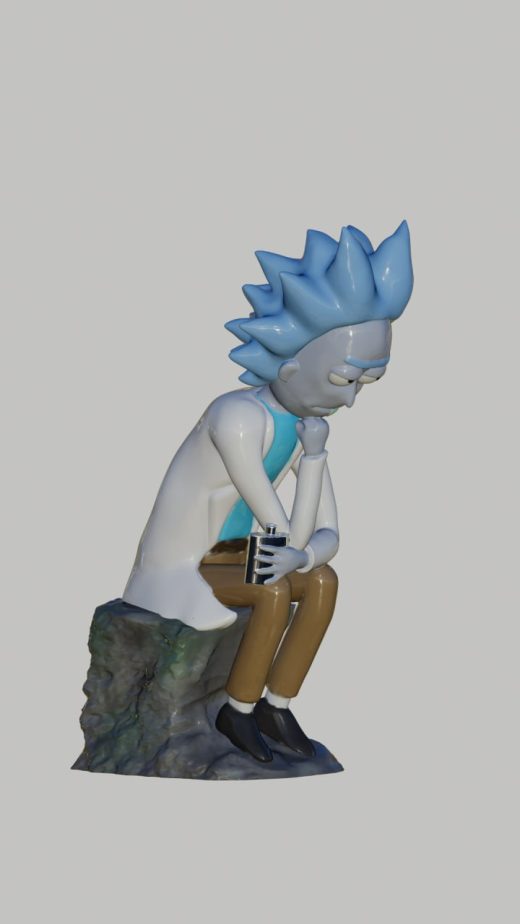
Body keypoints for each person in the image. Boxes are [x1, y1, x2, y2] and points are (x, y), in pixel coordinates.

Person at [123, 221, 413, 761]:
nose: (350, 400)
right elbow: (283, 531)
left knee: (323, 582)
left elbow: (328, 534)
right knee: (273, 589)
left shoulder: (304, 425)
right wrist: (313, 463)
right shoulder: (236, 417)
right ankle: (237, 709)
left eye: (364, 383)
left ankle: (277, 704)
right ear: (291, 364)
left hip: (231, 555)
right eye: (343, 378)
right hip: (184, 565)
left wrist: (314, 470)